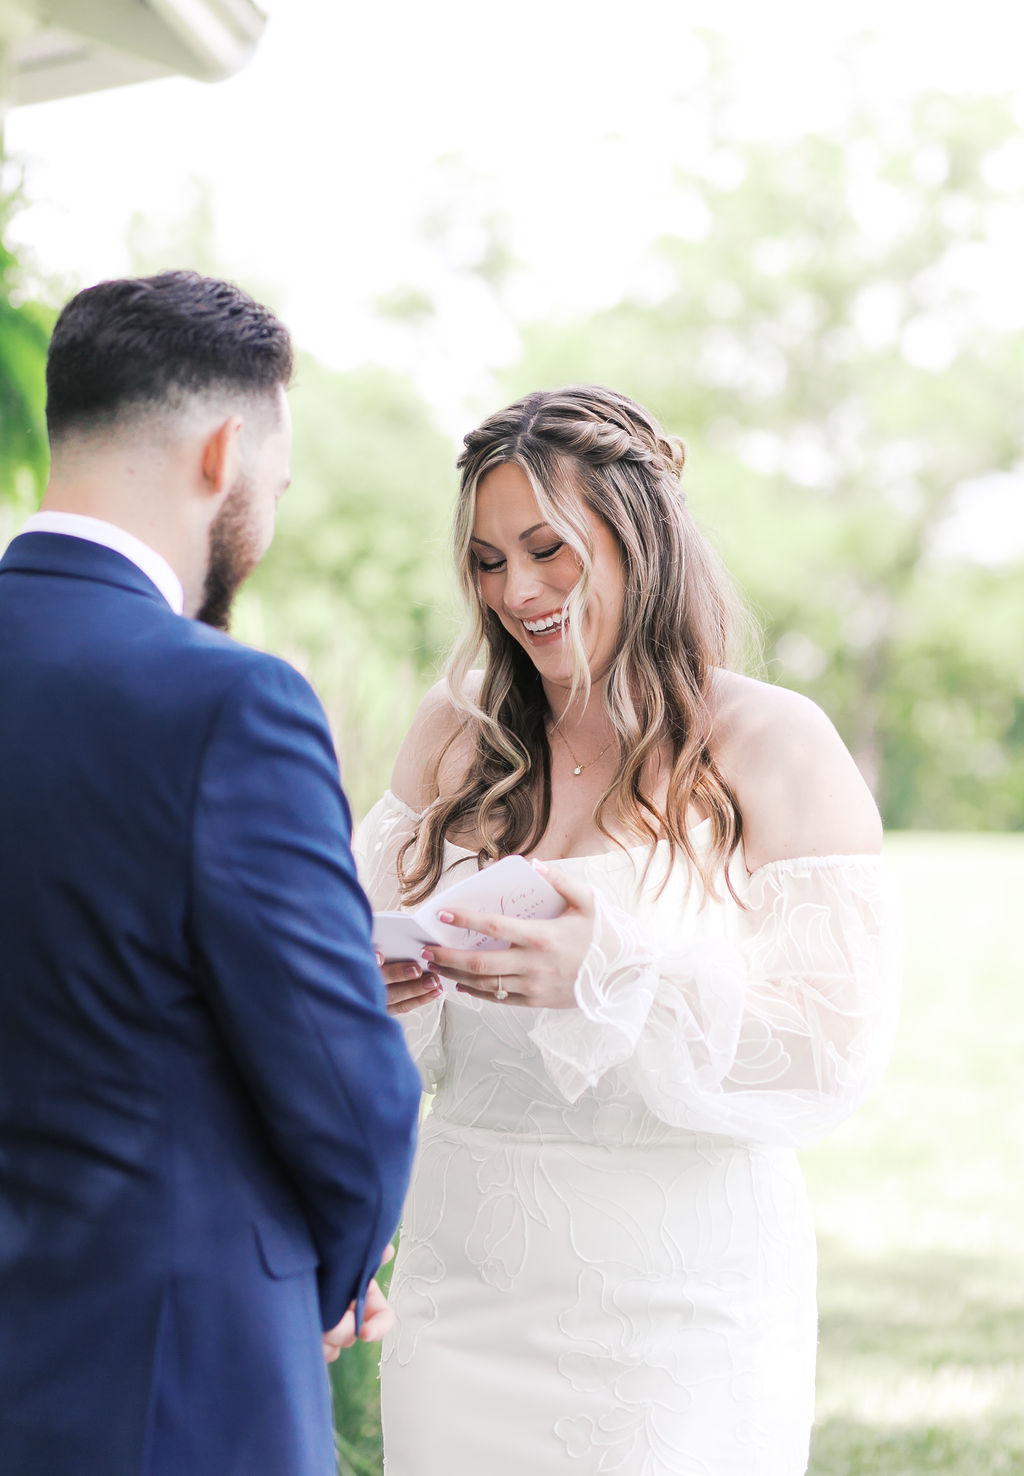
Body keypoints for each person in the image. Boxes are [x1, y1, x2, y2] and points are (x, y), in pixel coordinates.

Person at [355, 385, 901, 1476]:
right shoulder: (455, 735)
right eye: (486, 560)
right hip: (465, 1288)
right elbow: (341, 963)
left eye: (547, 548)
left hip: (680, 1304)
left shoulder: (774, 745)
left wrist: (615, 971)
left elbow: (832, 1055)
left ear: (638, 535)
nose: (517, 590)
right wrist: (371, 983)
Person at [0, 271, 422, 1476]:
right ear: (224, 452)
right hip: (174, 1375)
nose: (269, 517)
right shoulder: (230, 701)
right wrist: (324, 1287)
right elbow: (352, 1093)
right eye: (275, 488)